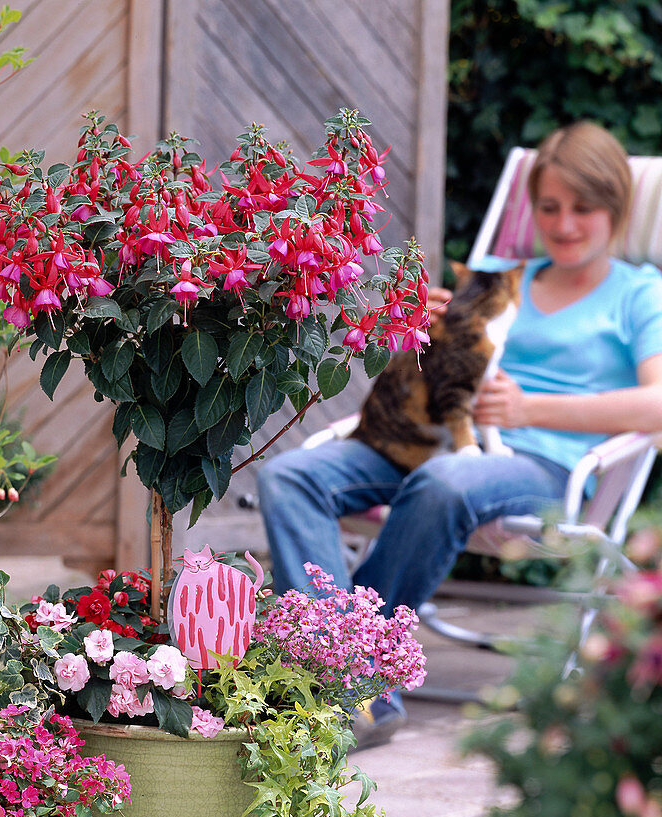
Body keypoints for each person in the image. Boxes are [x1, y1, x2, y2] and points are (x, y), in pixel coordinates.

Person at [257, 121, 662, 743]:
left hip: (542, 465)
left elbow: (656, 404)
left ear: (617, 208)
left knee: (445, 483)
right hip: (435, 441)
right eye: (550, 207)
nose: (566, 224)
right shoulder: (498, 277)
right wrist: (430, 331)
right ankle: (344, 680)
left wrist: (531, 410)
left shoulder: (638, 295)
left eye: (584, 208)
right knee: (290, 475)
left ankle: (347, 682)